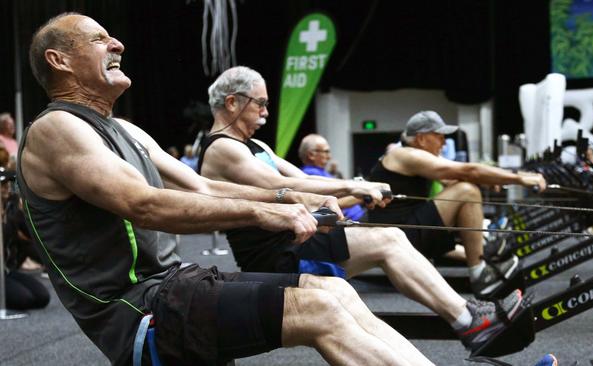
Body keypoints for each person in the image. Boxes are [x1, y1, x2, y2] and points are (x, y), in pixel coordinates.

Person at [22, 13, 439, 366]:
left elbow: (202, 185)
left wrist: (293, 199)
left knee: (334, 290)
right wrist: (265, 211)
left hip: (175, 283)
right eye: (99, 39)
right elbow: (142, 204)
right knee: (320, 310)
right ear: (59, 60)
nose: (117, 44)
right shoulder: (56, 128)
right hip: (135, 311)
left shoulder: (123, 128)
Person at [199, 66, 525, 354]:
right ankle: (470, 319)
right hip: (276, 252)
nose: (266, 113)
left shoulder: (257, 146)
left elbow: (303, 179)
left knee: (387, 245)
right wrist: (353, 187)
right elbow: (280, 187)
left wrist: (360, 190)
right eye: (261, 103)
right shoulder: (222, 149)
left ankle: (468, 316)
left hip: (299, 235)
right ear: (232, 102)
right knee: (389, 240)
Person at [367, 111, 547, 298]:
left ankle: (482, 252)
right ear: (421, 138)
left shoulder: (412, 155)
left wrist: (490, 178)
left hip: (405, 229)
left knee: (465, 188)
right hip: (398, 234)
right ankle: (480, 273)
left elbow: (455, 176)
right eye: (440, 136)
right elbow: (468, 171)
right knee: (467, 191)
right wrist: (520, 178)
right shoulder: (406, 155)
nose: (444, 143)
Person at [298, 134, 366, 221]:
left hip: (356, 218)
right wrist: (364, 196)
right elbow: (327, 204)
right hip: (352, 221)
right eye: (326, 152)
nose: (329, 157)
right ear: (311, 154)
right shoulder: (310, 174)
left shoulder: (321, 171)